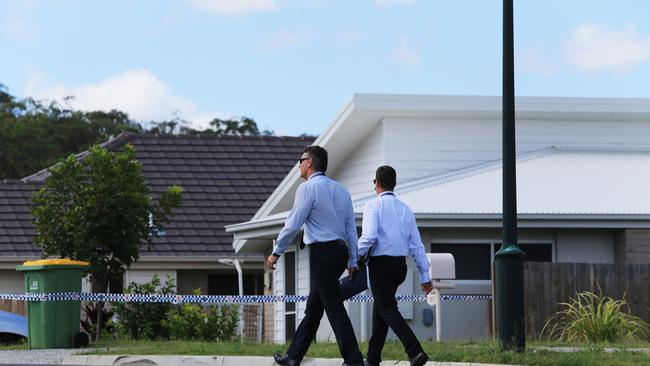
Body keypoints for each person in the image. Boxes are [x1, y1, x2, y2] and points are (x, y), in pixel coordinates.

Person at [267, 145, 364, 366]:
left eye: (300, 160)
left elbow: (293, 225)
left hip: (322, 253)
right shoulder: (342, 190)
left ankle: (354, 360)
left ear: (309, 162)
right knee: (314, 306)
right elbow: (351, 229)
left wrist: (276, 252)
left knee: (333, 307)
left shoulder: (308, 189)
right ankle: (293, 356)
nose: (298, 164)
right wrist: (352, 260)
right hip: (340, 253)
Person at [358, 165, 433, 366]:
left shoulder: (372, 206)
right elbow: (417, 245)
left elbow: (369, 236)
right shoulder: (406, 210)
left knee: (387, 308)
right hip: (400, 267)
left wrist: (352, 256)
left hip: (380, 266)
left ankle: (415, 351)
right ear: (395, 184)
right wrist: (425, 276)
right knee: (381, 309)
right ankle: (373, 358)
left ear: (377, 183)